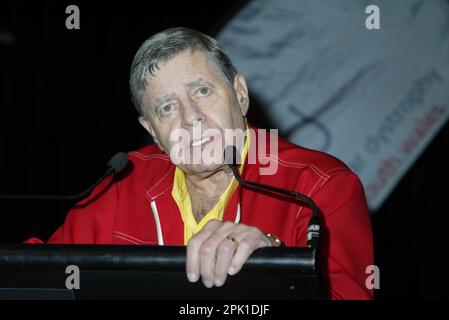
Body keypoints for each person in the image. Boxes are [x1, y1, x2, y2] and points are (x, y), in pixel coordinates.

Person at [25, 27, 374, 299]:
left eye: (202, 91)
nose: (191, 118)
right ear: (153, 131)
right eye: (167, 108)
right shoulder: (122, 183)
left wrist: (277, 267)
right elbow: (40, 275)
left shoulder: (322, 186)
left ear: (240, 93)